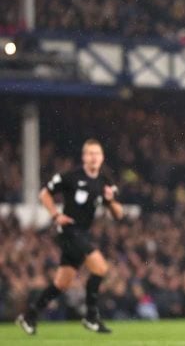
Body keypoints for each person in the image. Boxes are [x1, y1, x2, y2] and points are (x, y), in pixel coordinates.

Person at [16, 139, 123, 334]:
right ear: (83, 157)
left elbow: (118, 214)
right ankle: (91, 317)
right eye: (89, 154)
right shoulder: (71, 177)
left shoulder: (105, 181)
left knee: (61, 284)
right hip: (69, 231)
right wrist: (56, 215)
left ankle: (29, 316)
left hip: (83, 232)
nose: (93, 158)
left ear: (102, 157)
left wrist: (111, 201)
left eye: (97, 154)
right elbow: (44, 194)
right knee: (100, 268)